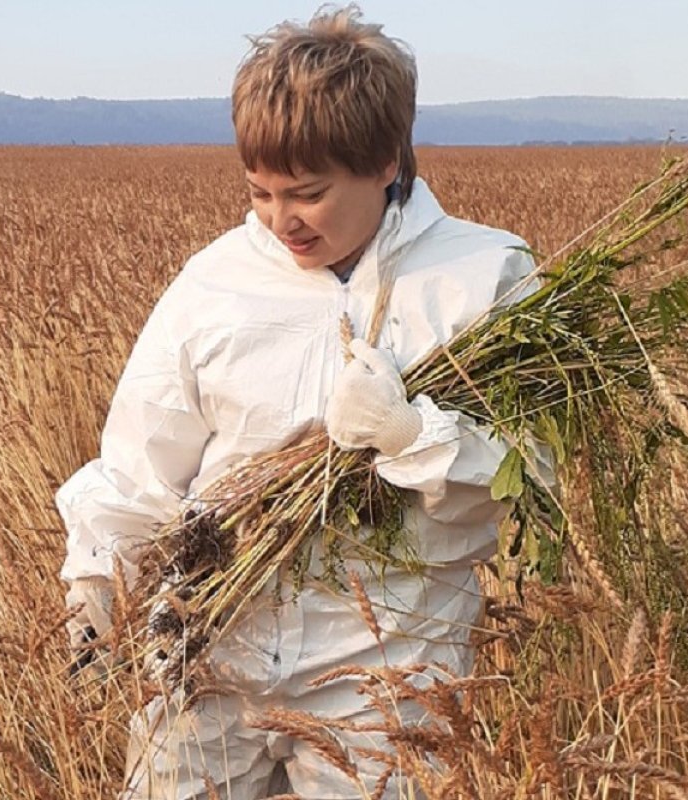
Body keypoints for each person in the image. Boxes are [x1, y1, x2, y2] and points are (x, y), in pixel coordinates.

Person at [56, 5, 535, 798]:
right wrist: (97, 578)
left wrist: (412, 434)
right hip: (210, 648)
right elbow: (145, 453)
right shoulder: (214, 282)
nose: (282, 220)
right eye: (260, 193)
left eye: (307, 193)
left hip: (390, 664)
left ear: (386, 161)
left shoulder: (484, 279)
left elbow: (527, 469)